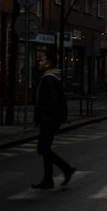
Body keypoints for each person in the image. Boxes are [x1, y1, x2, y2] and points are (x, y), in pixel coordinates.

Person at [32, 48, 74, 190]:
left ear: (48, 63)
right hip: (52, 118)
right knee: (45, 148)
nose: (39, 62)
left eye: (42, 60)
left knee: (42, 148)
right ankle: (48, 179)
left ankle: (65, 168)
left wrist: (43, 112)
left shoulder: (48, 78)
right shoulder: (52, 77)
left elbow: (53, 99)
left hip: (50, 118)